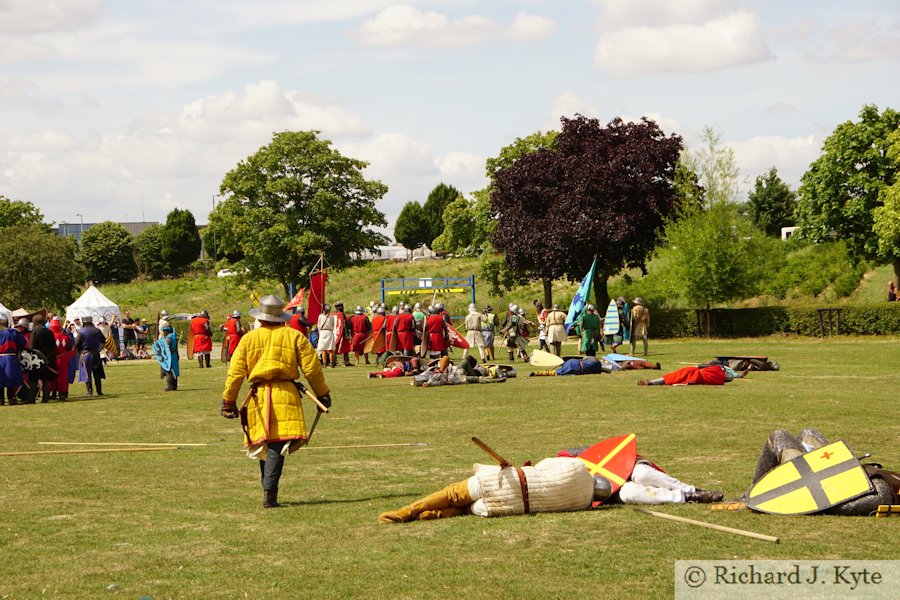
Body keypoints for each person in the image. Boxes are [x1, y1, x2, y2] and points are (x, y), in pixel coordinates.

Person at [379, 441, 721, 523]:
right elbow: (457, 500)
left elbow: (610, 457)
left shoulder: (569, 461)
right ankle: (682, 499)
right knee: (632, 493)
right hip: (597, 492)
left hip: (610, 474)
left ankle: (691, 493)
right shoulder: (570, 462)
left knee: (642, 475)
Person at [220, 295, 332, 509]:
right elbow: (312, 369)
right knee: (273, 447)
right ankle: (269, 495)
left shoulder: (249, 339)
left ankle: (268, 492)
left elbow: (234, 374)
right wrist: (322, 393)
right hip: (284, 394)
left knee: (270, 445)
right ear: (281, 316)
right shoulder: (295, 337)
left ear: (260, 318)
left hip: (260, 396)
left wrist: (228, 401)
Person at [746, 429, 899, 516]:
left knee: (778, 437)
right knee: (808, 433)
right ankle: (754, 496)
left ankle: (750, 497)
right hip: (866, 480)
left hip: (868, 492)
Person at [27, 314, 57, 403]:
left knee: (33, 379)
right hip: (48, 358)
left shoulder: (35, 332)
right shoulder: (49, 332)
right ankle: (45, 398)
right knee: (46, 379)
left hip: (36, 359)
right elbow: (53, 347)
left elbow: (32, 347)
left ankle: (31, 399)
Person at [0, 314, 27, 406]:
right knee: (10, 379)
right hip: (10, 358)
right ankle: (11, 398)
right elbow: (23, 342)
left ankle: (1, 400)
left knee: (1, 379)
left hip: (2, 358)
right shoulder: (12, 332)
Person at [75, 316, 106, 397]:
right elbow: (103, 341)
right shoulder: (97, 330)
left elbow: (77, 344)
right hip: (96, 354)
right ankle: (99, 391)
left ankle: (89, 391)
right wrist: (98, 349)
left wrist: (80, 351)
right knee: (97, 374)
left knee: (87, 374)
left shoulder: (81, 331)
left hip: (86, 355)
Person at [637, 364, 743, 386]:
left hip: (694, 373)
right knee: (674, 378)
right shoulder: (718, 380)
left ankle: (653, 382)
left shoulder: (717, 370)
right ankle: (653, 382)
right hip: (695, 378)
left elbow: (703, 366)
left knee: (672, 377)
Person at [48, 317, 75, 401]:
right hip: (63, 359)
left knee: (52, 376)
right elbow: (70, 348)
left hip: (52, 359)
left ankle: (53, 393)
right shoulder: (65, 337)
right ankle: (63, 393)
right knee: (63, 377)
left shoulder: (49, 337)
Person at [160, 324, 180, 391]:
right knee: (173, 371)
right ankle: (174, 386)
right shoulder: (173, 336)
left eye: (164, 331)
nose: (163, 332)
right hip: (174, 355)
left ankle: (170, 386)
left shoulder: (168, 338)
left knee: (169, 371)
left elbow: (166, 348)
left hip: (169, 356)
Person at [333, 303, 353, 367]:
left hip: (336, 334)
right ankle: (345, 361)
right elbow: (348, 325)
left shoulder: (333, 316)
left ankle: (334, 361)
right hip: (342, 333)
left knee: (342, 348)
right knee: (344, 348)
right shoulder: (343, 316)